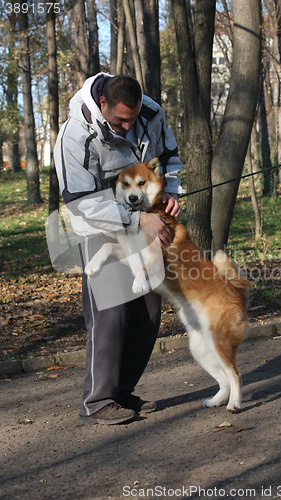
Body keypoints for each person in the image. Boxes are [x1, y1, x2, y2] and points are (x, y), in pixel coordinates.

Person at [54, 73, 183, 425]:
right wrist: (139, 221)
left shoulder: (151, 114)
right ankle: (96, 401)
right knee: (110, 314)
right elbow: (81, 203)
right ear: (102, 105)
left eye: (133, 117)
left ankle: (121, 394)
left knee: (148, 313)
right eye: (120, 120)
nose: (128, 127)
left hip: (146, 222)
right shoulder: (75, 134)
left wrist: (170, 193)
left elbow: (169, 157)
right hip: (100, 228)